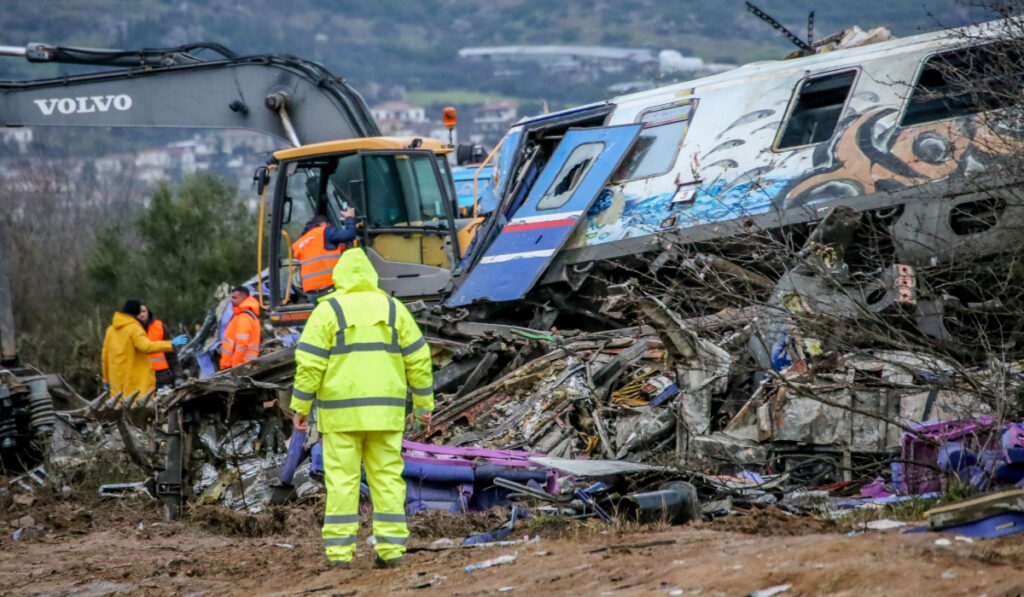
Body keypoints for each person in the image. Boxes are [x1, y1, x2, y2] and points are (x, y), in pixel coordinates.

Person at [289, 248, 433, 569]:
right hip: (386, 415)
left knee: (342, 482)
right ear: (371, 275)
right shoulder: (395, 310)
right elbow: (420, 360)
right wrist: (423, 405)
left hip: (341, 417)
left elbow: (309, 364)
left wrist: (300, 406)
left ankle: (340, 556)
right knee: (387, 480)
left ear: (339, 277)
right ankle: (391, 552)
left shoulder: (328, 311)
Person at [102, 299, 187, 397]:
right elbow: (146, 347)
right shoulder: (134, 329)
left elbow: (105, 358)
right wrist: (171, 344)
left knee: (122, 409)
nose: (142, 315)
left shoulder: (110, 331)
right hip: (137, 383)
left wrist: (106, 380)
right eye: (140, 312)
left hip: (118, 384)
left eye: (144, 311)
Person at [291, 206, 357, 299]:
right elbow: (349, 234)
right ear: (324, 224)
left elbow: (323, 253)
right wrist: (350, 218)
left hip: (311, 293)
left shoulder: (300, 243)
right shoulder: (324, 231)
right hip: (329, 288)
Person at [140, 304, 185, 389]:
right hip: (143, 379)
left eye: (143, 311)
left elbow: (172, 356)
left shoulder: (160, 327)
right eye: (138, 312)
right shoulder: (131, 332)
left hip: (163, 377)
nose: (142, 314)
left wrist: (178, 377)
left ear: (148, 312)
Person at [220, 286, 261, 370]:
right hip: (241, 364)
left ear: (243, 298)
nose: (232, 300)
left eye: (235, 297)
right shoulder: (241, 315)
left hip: (240, 365)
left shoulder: (244, 317)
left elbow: (242, 344)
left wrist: (236, 365)